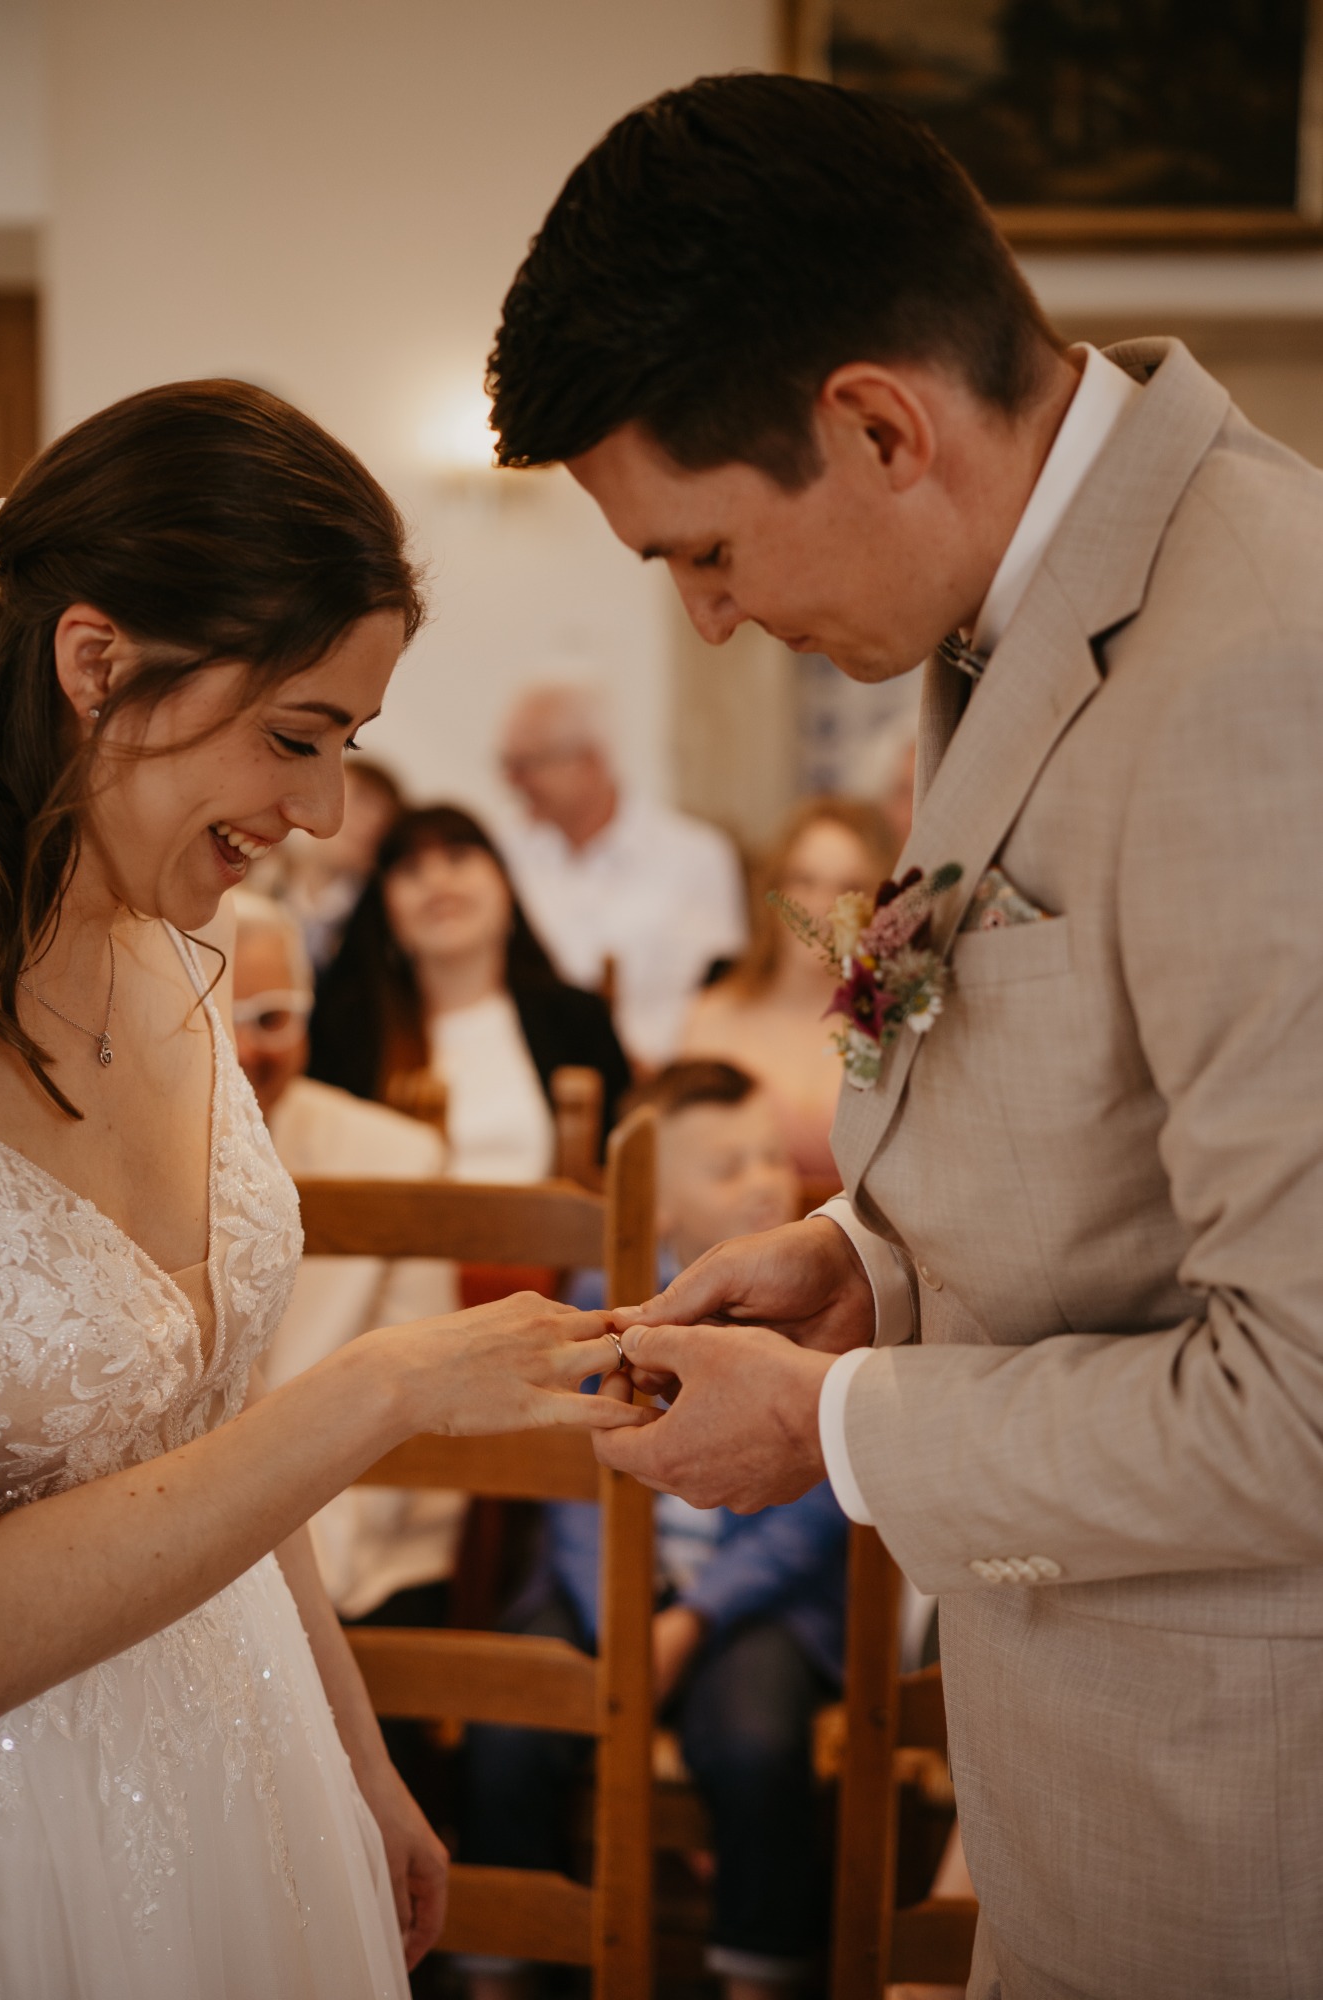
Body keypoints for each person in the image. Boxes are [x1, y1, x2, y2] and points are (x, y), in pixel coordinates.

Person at [485, 72, 1323, 1998]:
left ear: (877, 425)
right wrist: (865, 1258)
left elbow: (1299, 1395)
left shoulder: (1258, 669)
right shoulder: (1023, 606)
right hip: (1089, 1783)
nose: (707, 621)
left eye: (702, 551)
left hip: (1244, 1826)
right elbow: (1107, 1148)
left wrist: (835, 1425)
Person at [0, 381, 646, 2000]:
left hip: (249, 1753)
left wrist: (355, 1758)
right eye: (294, 737)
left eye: (347, 747)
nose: (325, 813)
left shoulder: (183, 974)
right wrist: (378, 1390)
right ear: (95, 662)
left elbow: (202, 1434)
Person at [459, 1061, 847, 2000]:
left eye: (771, 1155)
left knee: (756, 1745)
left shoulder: (818, 1311)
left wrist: (694, 1618)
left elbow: (813, 1514)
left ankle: (759, 1974)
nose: (764, 1182)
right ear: (657, 1205)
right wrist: (620, 1622)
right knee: (508, 1724)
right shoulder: (604, 1292)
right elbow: (572, 1491)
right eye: (727, 1167)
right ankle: (498, 1965)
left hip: (749, 1603)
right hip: (599, 1586)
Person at [231, 887, 465, 1626]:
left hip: (364, 1543)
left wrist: (285, 1573)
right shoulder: (125, 1160)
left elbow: (414, 1398)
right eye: (215, 1018)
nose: (244, 1050)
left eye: (271, 1018)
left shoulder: (399, 1158)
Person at [309, 803, 630, 1182]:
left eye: (458, 858)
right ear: (384, 909)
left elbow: (621, 1168)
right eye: (411, 870)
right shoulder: (348, 1030)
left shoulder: (574, 1018)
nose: (438, 884)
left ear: (505, 885)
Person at [496, 680, 747, 1066]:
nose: (512, 781)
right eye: (507, 764)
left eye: (528, 765)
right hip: (537, 1071)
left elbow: (720, 993)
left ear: (589, 761)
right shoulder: (503, 852)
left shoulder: (696, 855)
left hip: (660, 1072)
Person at [682, 798, 896, 1181]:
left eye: (850, 888)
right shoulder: (712, 1018)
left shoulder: (901, 1029)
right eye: (803, 880)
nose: (822, 906)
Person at [253, 754, 407, 970]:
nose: (366, 825)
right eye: (359, 802)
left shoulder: (375, 923)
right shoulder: (259, 862)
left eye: (380, 817)